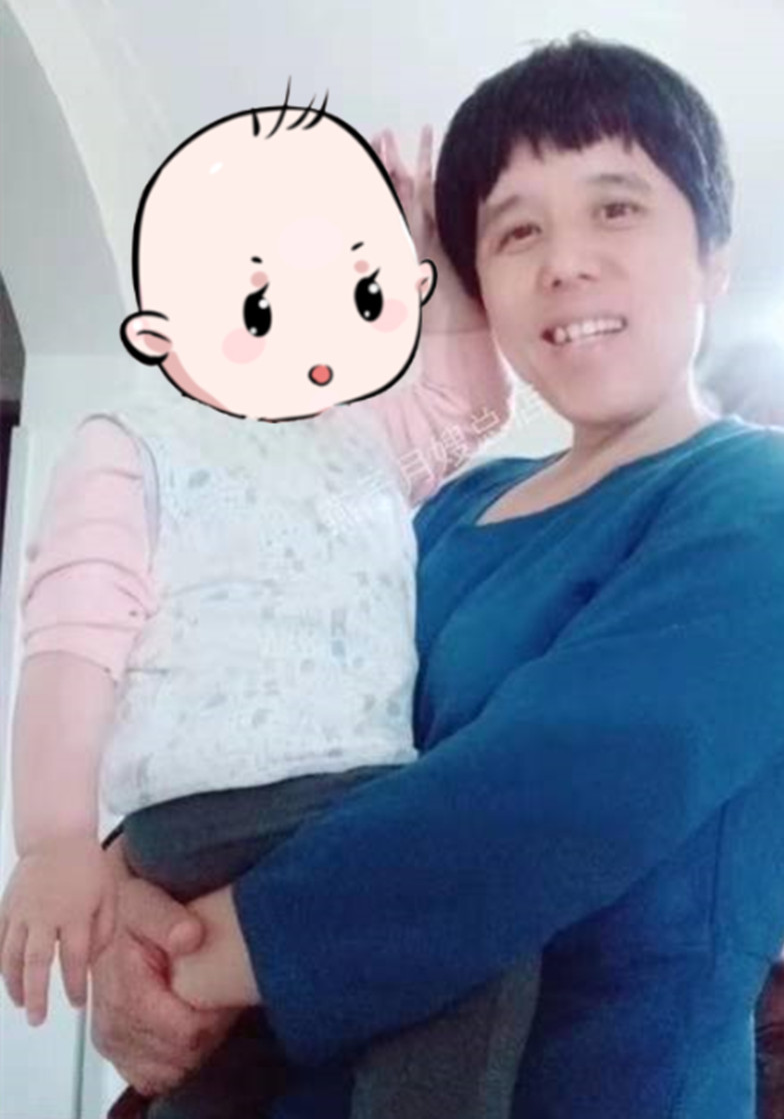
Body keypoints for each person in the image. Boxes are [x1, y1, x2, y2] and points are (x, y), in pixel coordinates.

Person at [91, 36, 784, 1119]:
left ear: (713, 256)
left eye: (616, 207)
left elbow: (534, 809)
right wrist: (120, 886)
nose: (566, 261)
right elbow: (254, 706)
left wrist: (179, 960)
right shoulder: (446, 508)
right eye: (515, 232)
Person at [0, 95, 527, 1119]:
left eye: (361, 294)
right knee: (476, 913)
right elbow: (70, 646)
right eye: (260, 310)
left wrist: (437, 257)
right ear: (160, 333)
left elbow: (468, 404)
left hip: (336, 801)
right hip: (224, 804)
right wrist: (55, 839)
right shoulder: (135, 447)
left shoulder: (363, 440)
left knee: (237, 1052)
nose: (322, 339)